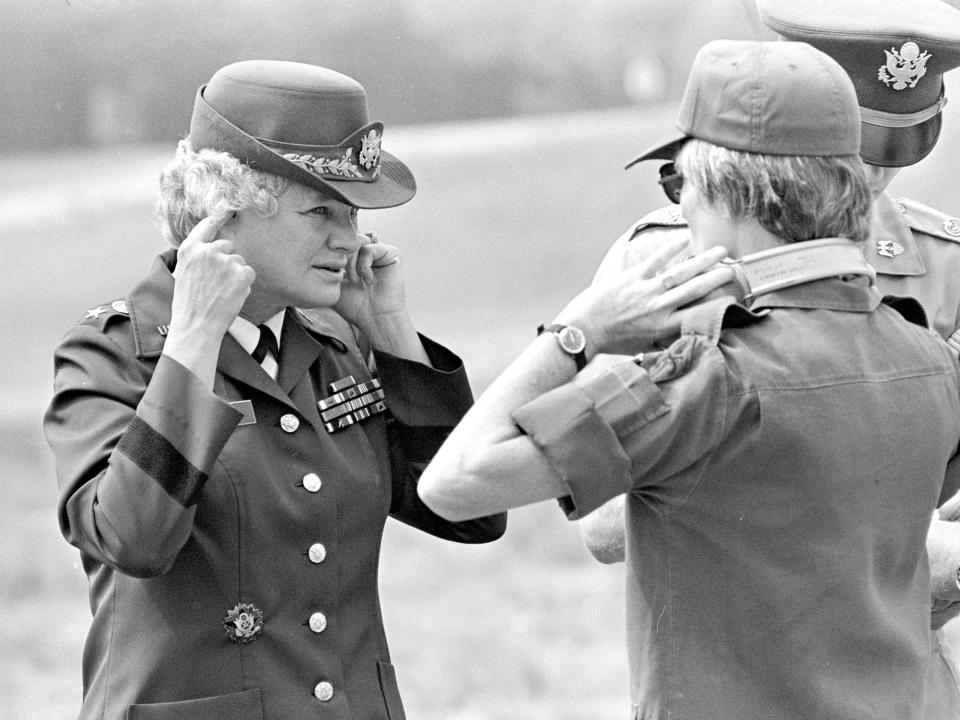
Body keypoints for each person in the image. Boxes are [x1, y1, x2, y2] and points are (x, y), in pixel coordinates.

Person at [417, 39, 960, 719]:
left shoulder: (709, 379)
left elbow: (455, 484)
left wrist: (576, 333)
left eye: (679, 183)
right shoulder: (927, 354)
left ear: (727, 191)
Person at [43, 60, 507, 720]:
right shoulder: (116, 351)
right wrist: (194, 339)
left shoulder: (337, 345)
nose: (350, 242)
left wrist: (393, 333)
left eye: (353, 216)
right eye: (322, 211)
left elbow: (472, 512)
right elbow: (134, 540)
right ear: (223, 210)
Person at [584, 5, 960, 711]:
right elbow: (603, 522)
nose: (875, 178)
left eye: (897, 148)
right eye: (854, 145)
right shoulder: (665, 257)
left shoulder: (947, 264)